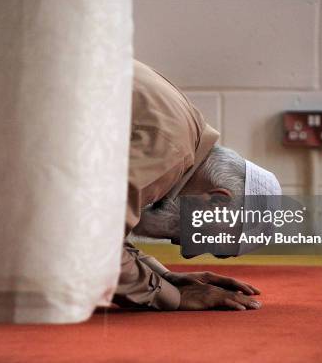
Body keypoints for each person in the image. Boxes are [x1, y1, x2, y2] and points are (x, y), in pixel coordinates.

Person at [113, 60, 281, 312]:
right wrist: (172, 296)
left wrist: (162, 276)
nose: (187, 254)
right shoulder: (170, 152)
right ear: (217, 201)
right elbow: (86, 241)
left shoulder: (182, 131)